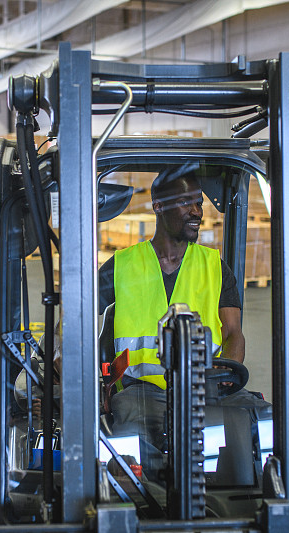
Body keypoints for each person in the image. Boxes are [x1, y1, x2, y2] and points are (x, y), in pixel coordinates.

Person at [97, 171, 245, 481]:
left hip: (204, 388)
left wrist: (226, 374)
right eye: (185, 203)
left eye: (199, 204)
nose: (197, 212)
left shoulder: (214, 266)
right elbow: (75, 315)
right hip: (140, 392)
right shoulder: (122, 266)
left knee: (259, 426)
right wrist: (64, 359)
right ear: (158, 207)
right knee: (129, 449)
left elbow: (233, 332)